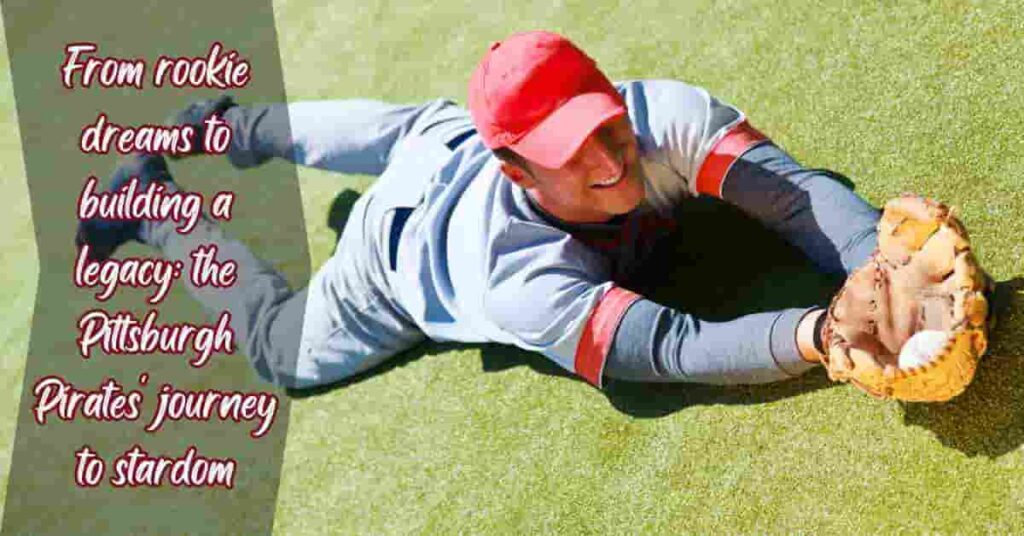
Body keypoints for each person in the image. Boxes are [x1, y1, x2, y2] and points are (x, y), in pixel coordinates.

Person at [77, 30, 881, 390]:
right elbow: (669, 345)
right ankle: (152, 205)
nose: (609, 159)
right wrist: (818, 335)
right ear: (519, 168)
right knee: (278, 350)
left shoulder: (660, 112)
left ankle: (223, 122)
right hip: (392, 264)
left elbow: (794, 194)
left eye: (603, 123)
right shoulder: (516, 280)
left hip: (445, 143)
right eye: (571, 152)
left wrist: (877, 255)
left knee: (410, 127)